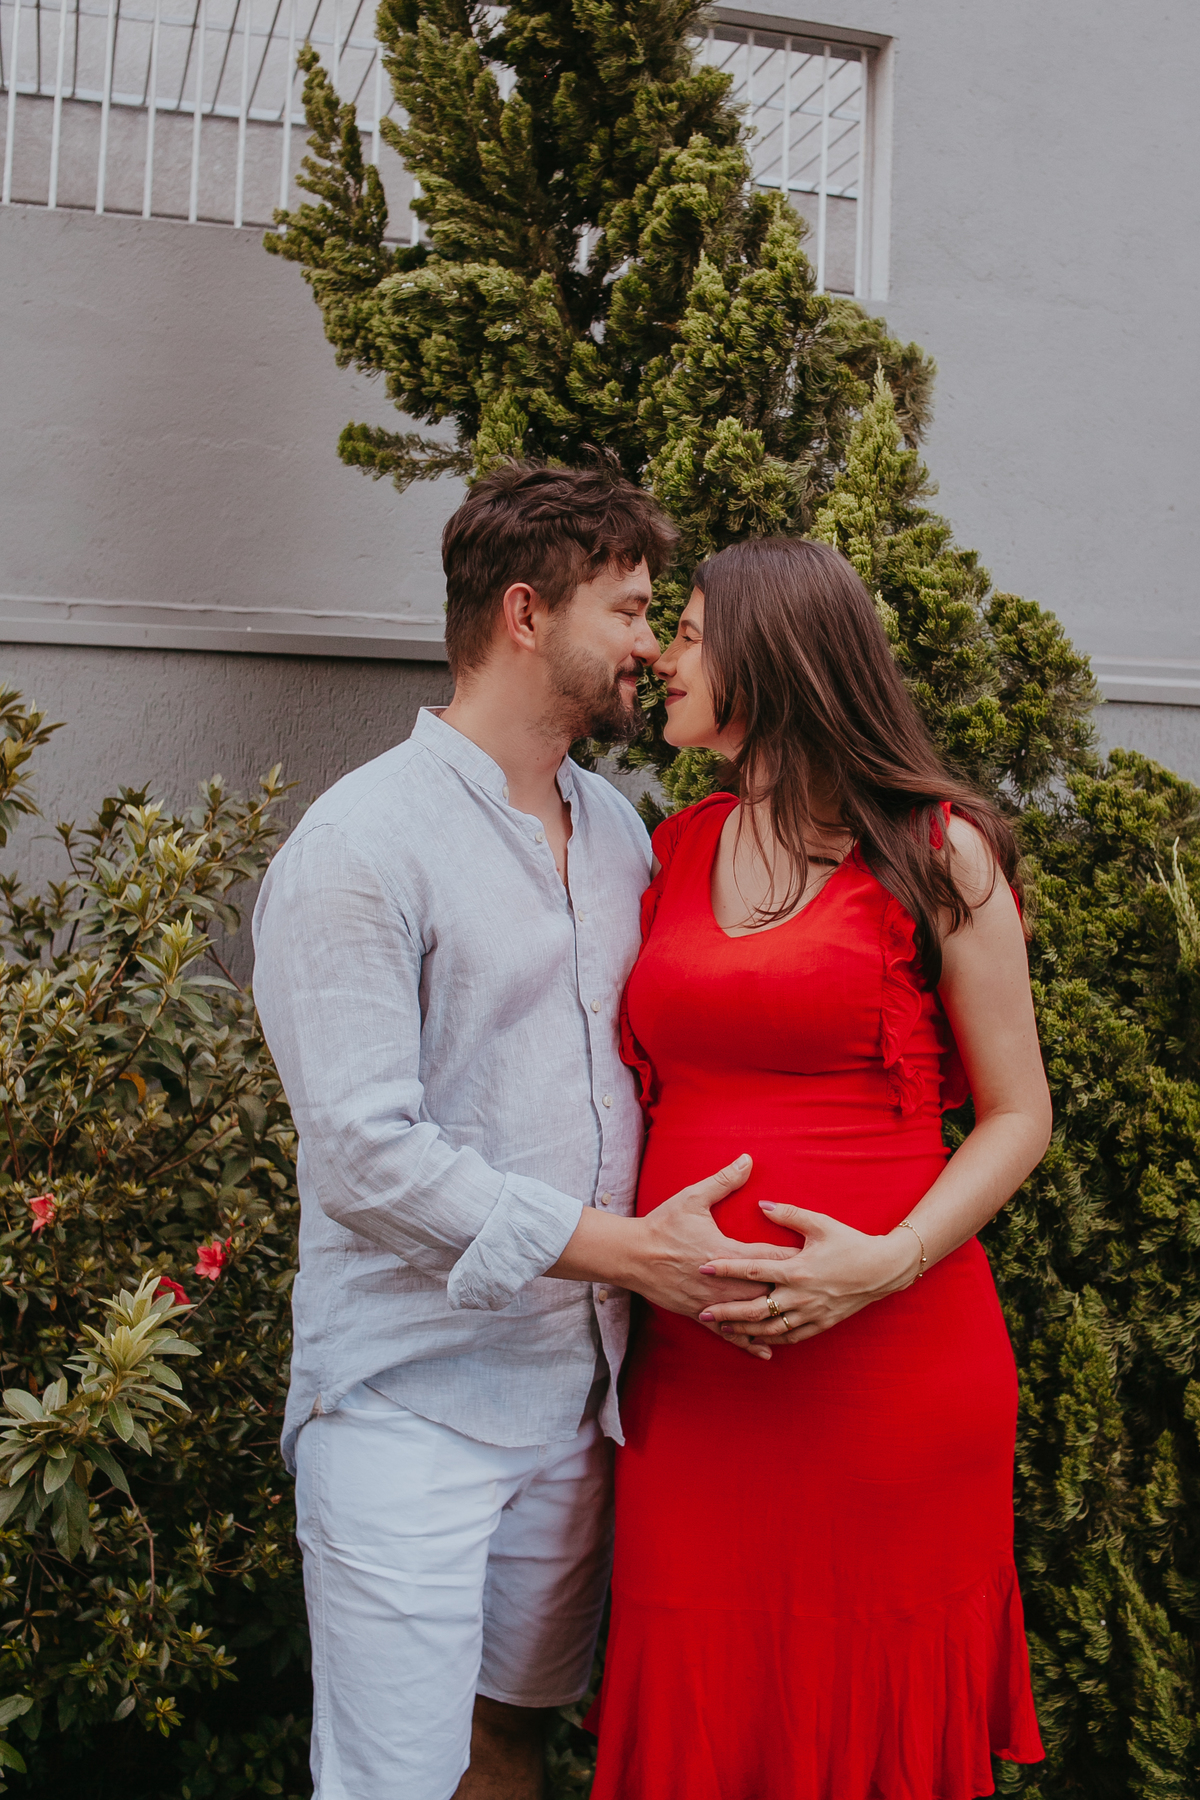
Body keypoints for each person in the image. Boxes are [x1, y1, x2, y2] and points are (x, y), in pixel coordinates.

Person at [251, 462, 782, 1800]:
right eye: (635, 609)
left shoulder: (616, 828)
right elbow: (368, 1157)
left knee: (511, 1743)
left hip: (577, 1402)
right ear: (529, 613)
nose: (656, 647)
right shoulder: (359, 846)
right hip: (406, 1402)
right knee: (393, 1778)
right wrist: (628, 1252)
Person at [588, 537, 1052, 1800]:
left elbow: (1020, 1116)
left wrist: (886, 1263)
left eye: (686, 630)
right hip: (698, 1381)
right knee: (701, 1686)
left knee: (873, 1707)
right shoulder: (670, 849)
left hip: (892, 1374)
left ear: (772, 652)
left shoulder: (938, 852)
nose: (662, 655)